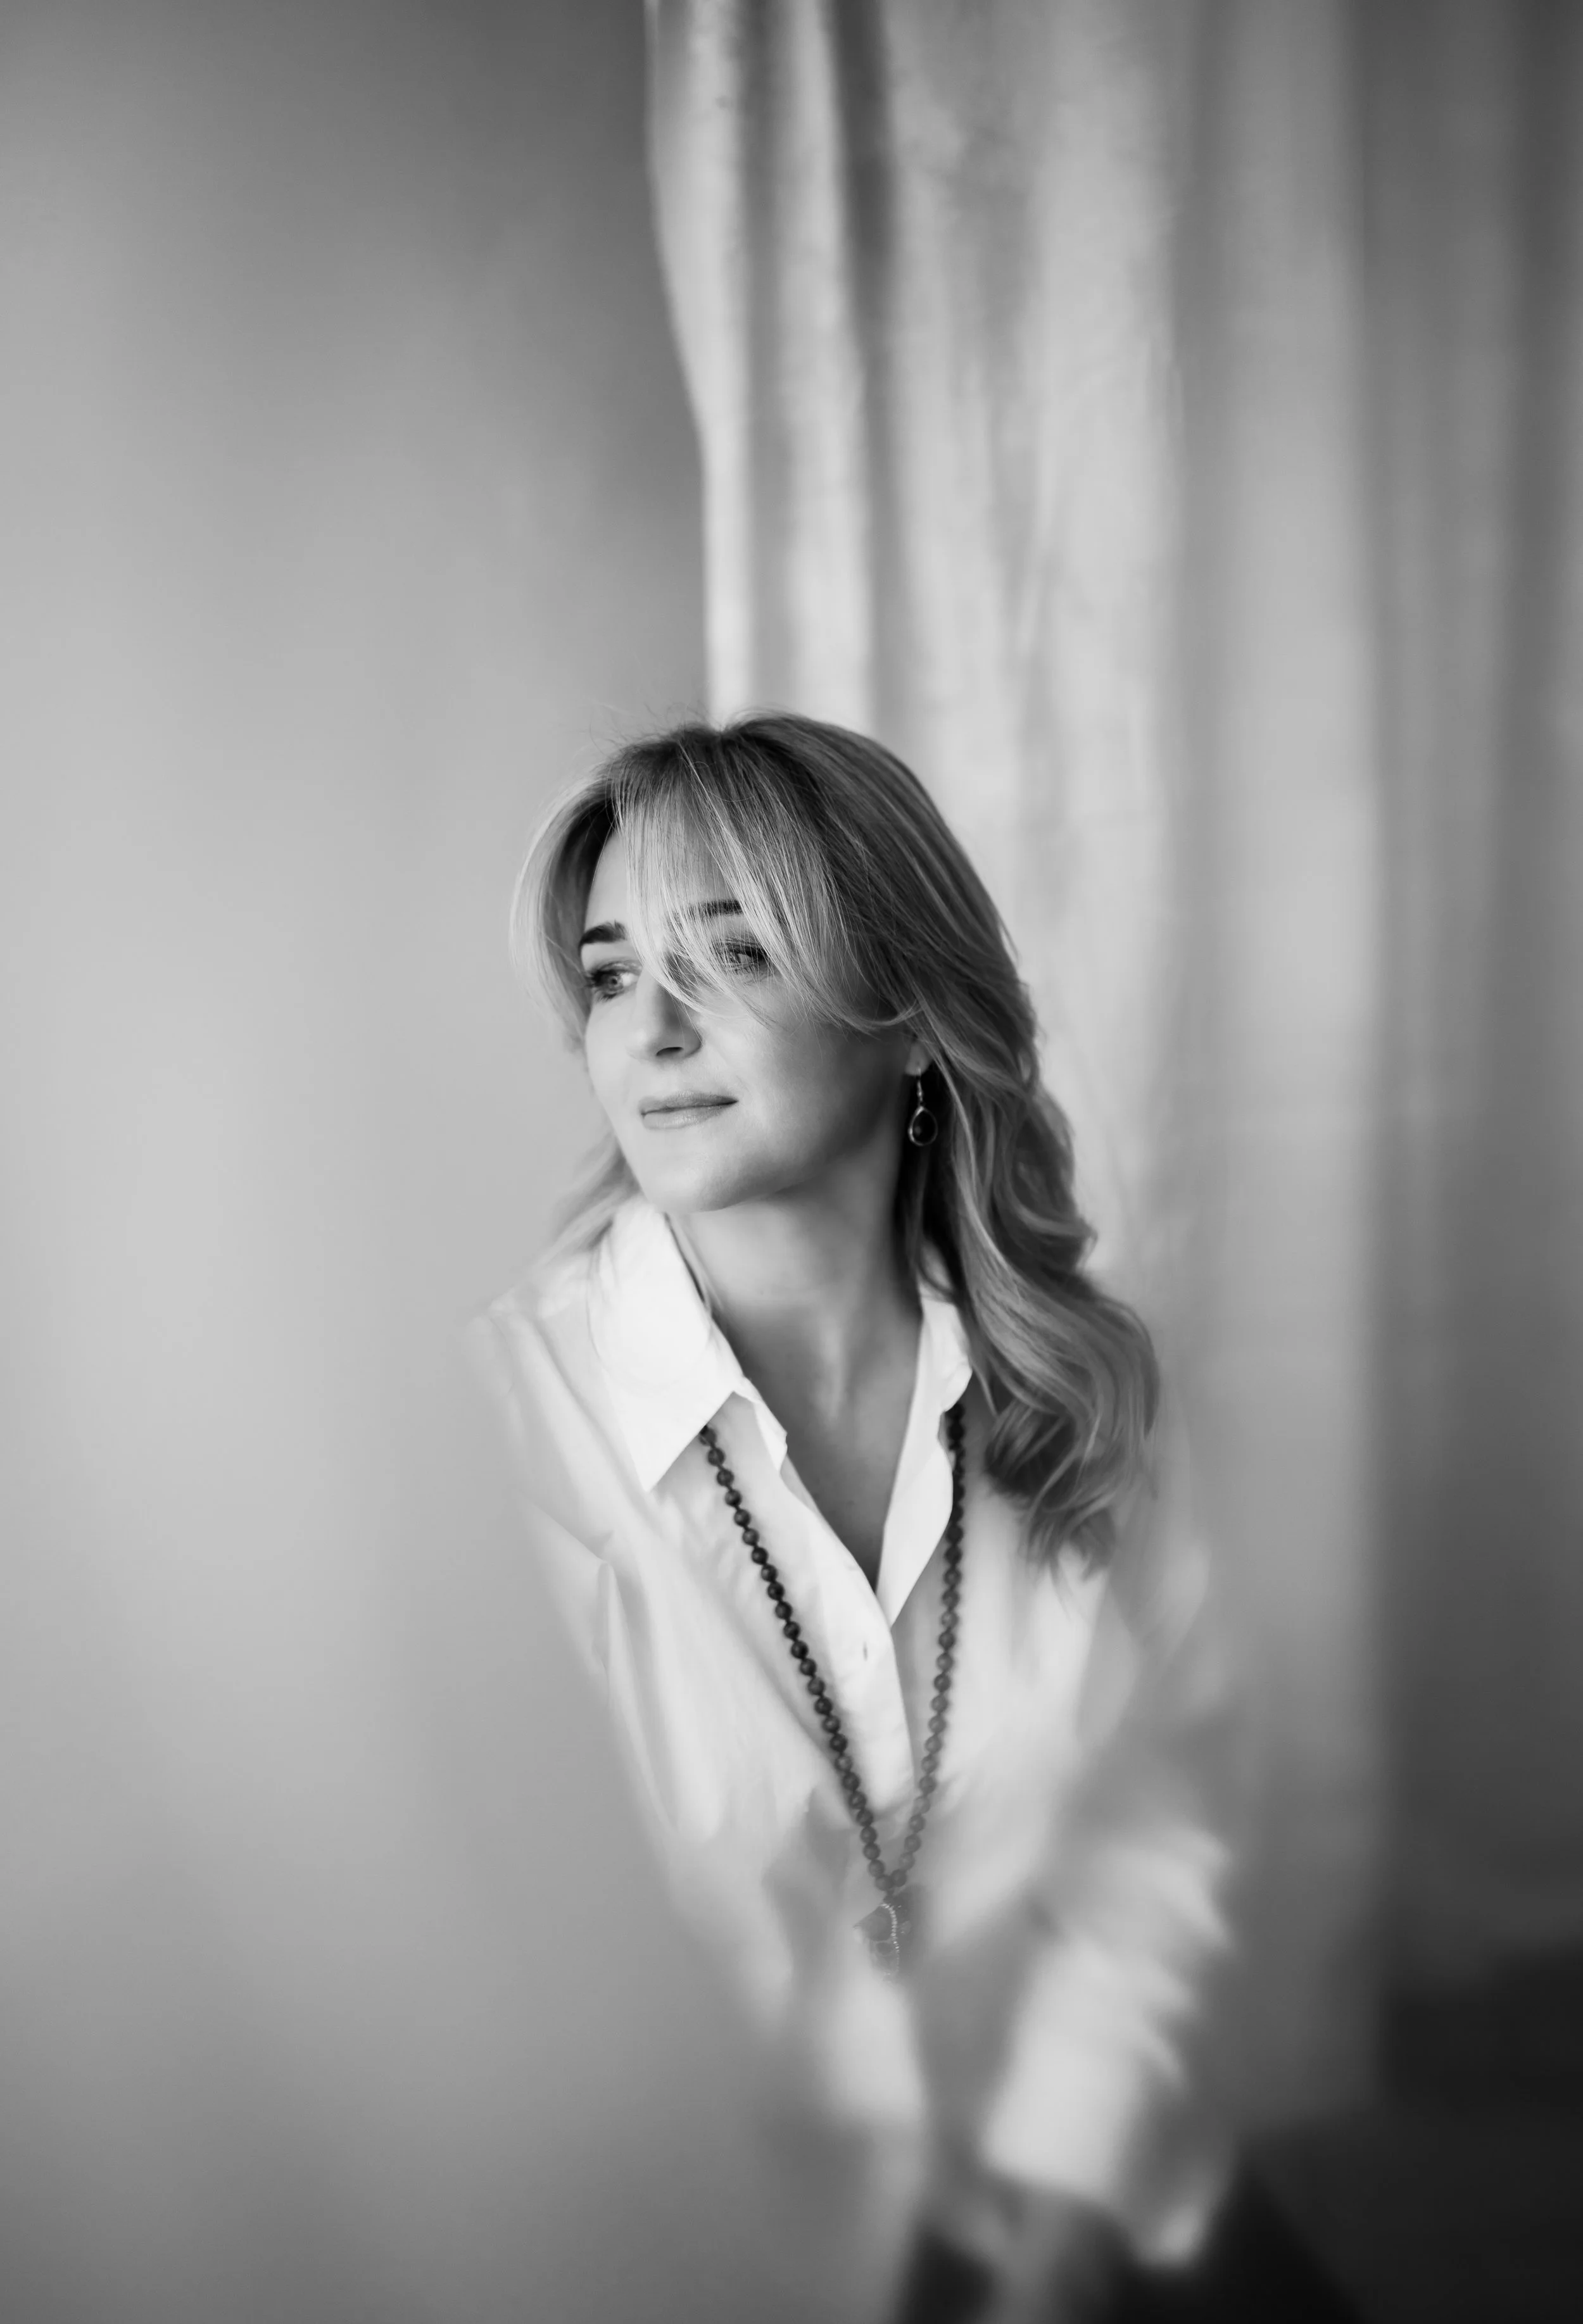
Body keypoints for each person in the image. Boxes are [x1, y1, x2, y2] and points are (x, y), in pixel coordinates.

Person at [473, 713, 1353, 2323]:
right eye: (608, 974)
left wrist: (1061, 2213)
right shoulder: (509, 1436)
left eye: (729, 953)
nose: (650, 1030)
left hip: (1081, 2205)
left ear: (907, 1016)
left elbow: (1153, 1838)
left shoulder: (1086, 1388)